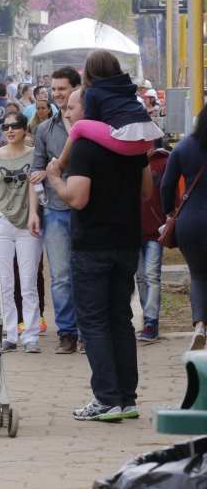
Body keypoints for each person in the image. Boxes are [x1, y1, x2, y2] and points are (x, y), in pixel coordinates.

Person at [47, 86, 152, 421]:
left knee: (92, 320)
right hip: (126, 241)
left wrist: (54, 178)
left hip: (93, 243)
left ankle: (107, 398)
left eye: (72, 106)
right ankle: (126, 398)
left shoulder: (85, 146)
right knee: (120, 318)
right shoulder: (132, 144)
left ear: (89, 109)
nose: (67, 112)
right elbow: (147, 191)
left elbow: (77, 198)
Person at [29, 65, 82, 355]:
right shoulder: (44, 129)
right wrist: (35, 212)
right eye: (54, 88)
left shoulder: (92, 125)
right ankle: (67, 333)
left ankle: (88, 331)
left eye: (63, 88)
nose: (57, 93)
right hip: (56, 211)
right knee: (61, 276)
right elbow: (36, 170)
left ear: (77, 88)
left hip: (88, 210)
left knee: (86, 273)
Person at [0, 111, 43, 352]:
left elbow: (37, 185)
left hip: (29, 222)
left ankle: (31, 336)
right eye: (5, 126)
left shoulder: (35, 154)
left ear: (25, 129)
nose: (10, 130)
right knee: (5, 283)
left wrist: (34, 214)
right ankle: (9, 333)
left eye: (15, 125)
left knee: (28, 282)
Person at [57, 49, 163, 170]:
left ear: (89, 70)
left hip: (126, 142)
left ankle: (61, 164)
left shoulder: (92, 91)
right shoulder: (126, 85)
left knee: (79, 127)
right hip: (148, 138)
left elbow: (90, 121)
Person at [161, 105, 207, 351]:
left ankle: (200, 325)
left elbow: (167, 185)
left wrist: (169, 210)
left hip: (190, 223)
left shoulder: (184, 147)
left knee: (199, 276)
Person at [136, 140, 172, 343]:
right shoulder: (128, 160)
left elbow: (172, 191)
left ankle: (151, 322)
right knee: (140, 278)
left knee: (151, 276)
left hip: (156, 231)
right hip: (133, 231)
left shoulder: (163, 161)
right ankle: (147, 319)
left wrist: (168, 218)